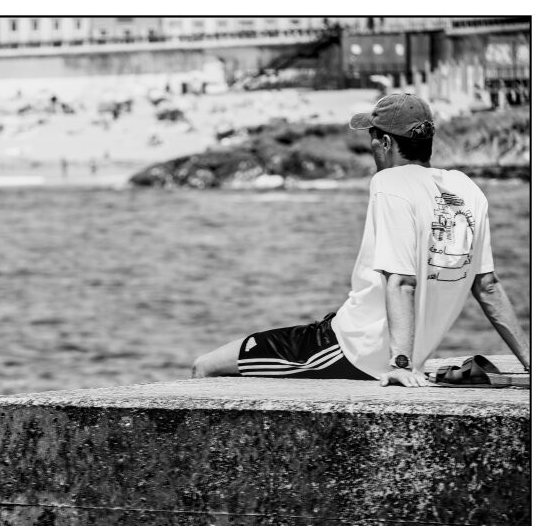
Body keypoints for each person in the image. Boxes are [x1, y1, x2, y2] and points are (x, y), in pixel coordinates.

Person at [192, 94, 529, 386]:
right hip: (375, 346)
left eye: (372, 137)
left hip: (349, 351)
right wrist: (530, 362)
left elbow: (401, 281)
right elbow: (487, 287)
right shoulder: (466, 188)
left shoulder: (390, 184)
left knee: (206, 366)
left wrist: (400, 364)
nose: (370, 147)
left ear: (385, 143)